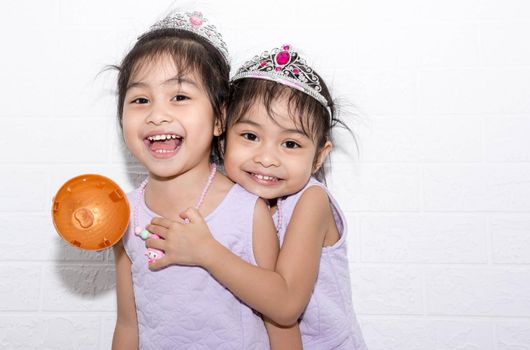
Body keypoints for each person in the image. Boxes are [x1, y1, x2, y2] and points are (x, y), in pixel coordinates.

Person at [146, 44, 367, 349]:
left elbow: (286, 304)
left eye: (290, 144)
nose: (266, 158)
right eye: (250, 136)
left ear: (319, 157)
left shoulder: (311, 202)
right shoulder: (230, 198)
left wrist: (205, 251)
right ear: (223, 135)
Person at [111, 11, 285, 349]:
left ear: (220, 118)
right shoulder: (124, 214)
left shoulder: (247, 211)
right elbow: (128, 325)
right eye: (140, 100)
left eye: (179, 97)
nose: (157, 115)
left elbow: (281, 323)